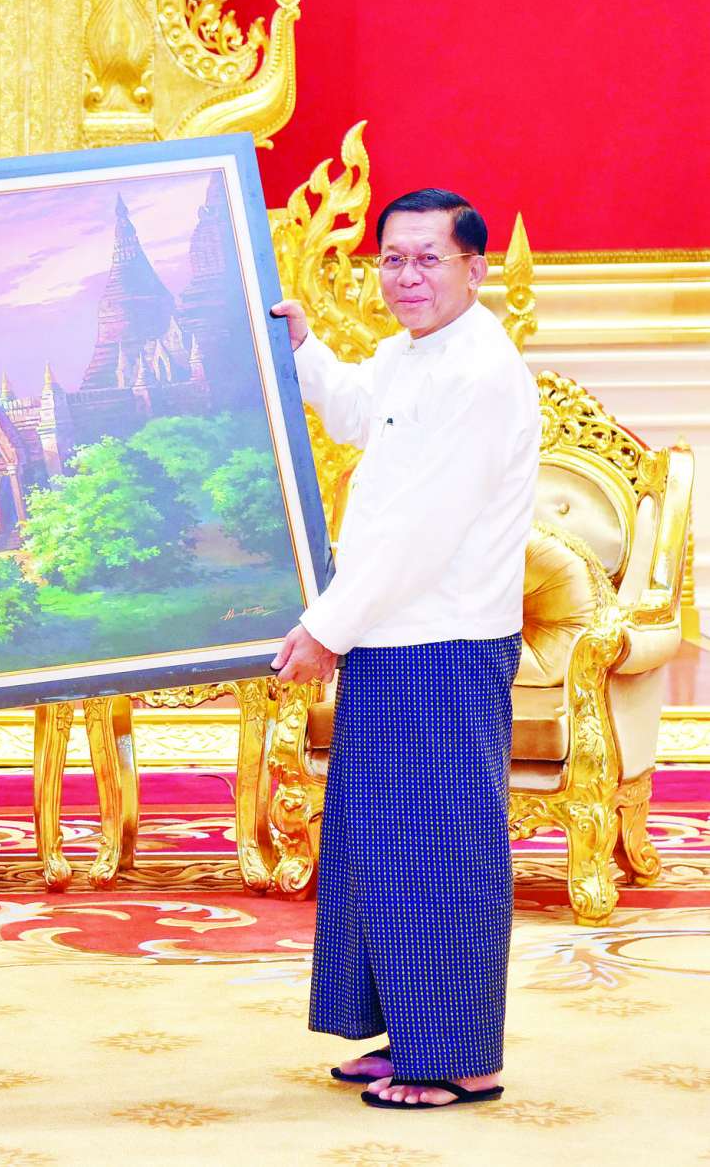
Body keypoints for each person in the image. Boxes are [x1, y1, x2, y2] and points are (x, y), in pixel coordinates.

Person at [269, 189, 539, 1111]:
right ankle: (414, 1031)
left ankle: (461, 1057)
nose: (407, 276)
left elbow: (420, 532)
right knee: (383, 844)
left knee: (440, 848)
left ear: (476, 267)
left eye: (429, 258)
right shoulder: (410, 352)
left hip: (444, 641)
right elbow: (357, 412)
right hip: (395, 634)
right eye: (392, 258)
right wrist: (304, 347)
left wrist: (324, 629)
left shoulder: (480, 373)